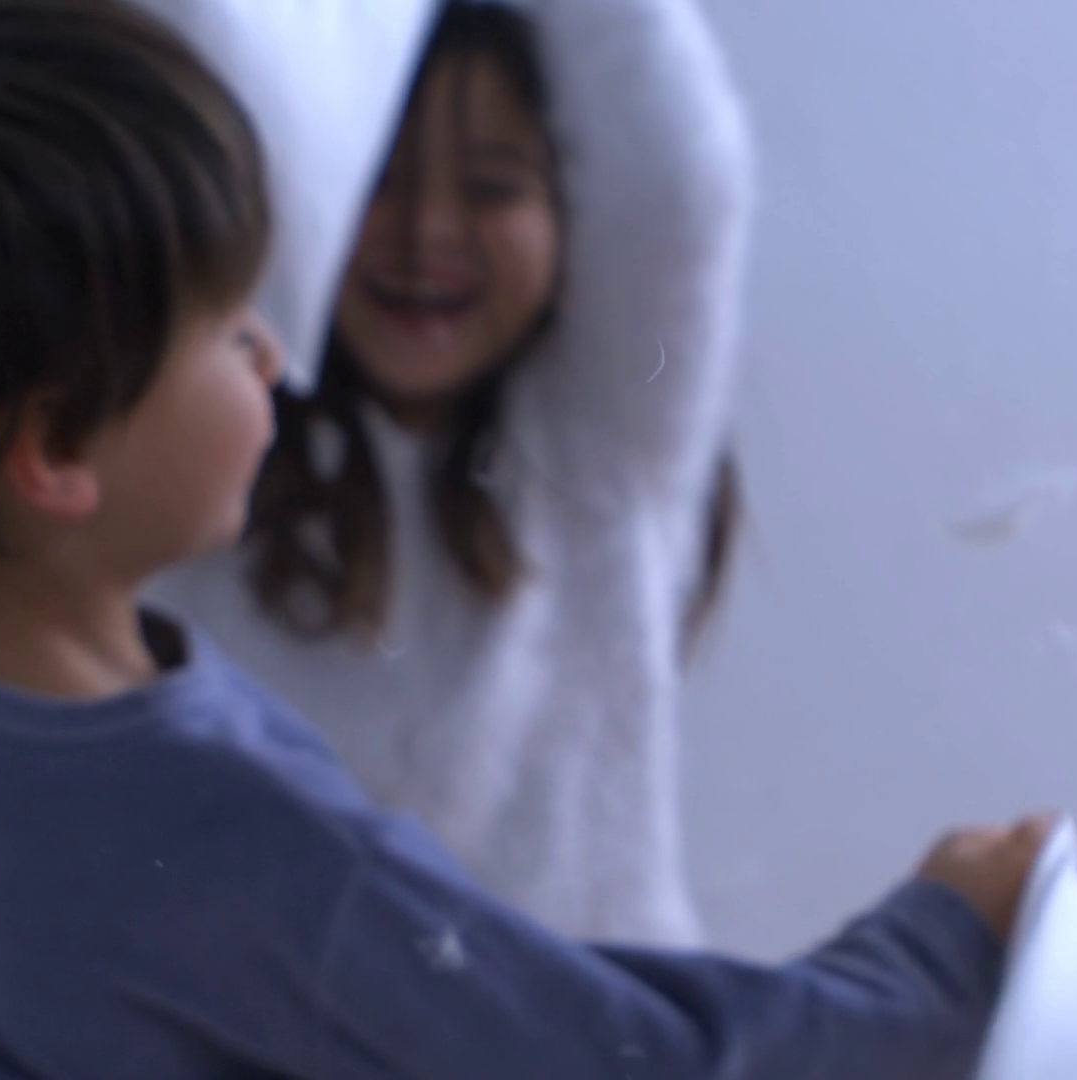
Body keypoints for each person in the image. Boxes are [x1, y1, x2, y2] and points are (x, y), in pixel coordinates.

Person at [0, 1, 1053, 1076]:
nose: (274, 350)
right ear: (54, 451)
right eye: (231, 325)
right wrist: (943, 944)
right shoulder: (260, 851)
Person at [149, 0, 750, 948]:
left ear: (574, 214)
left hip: (587, 1019)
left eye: (492, 186)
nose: (427, 230)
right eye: (375, 180)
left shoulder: (603, 450)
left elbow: (682, 180)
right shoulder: (202, 461)